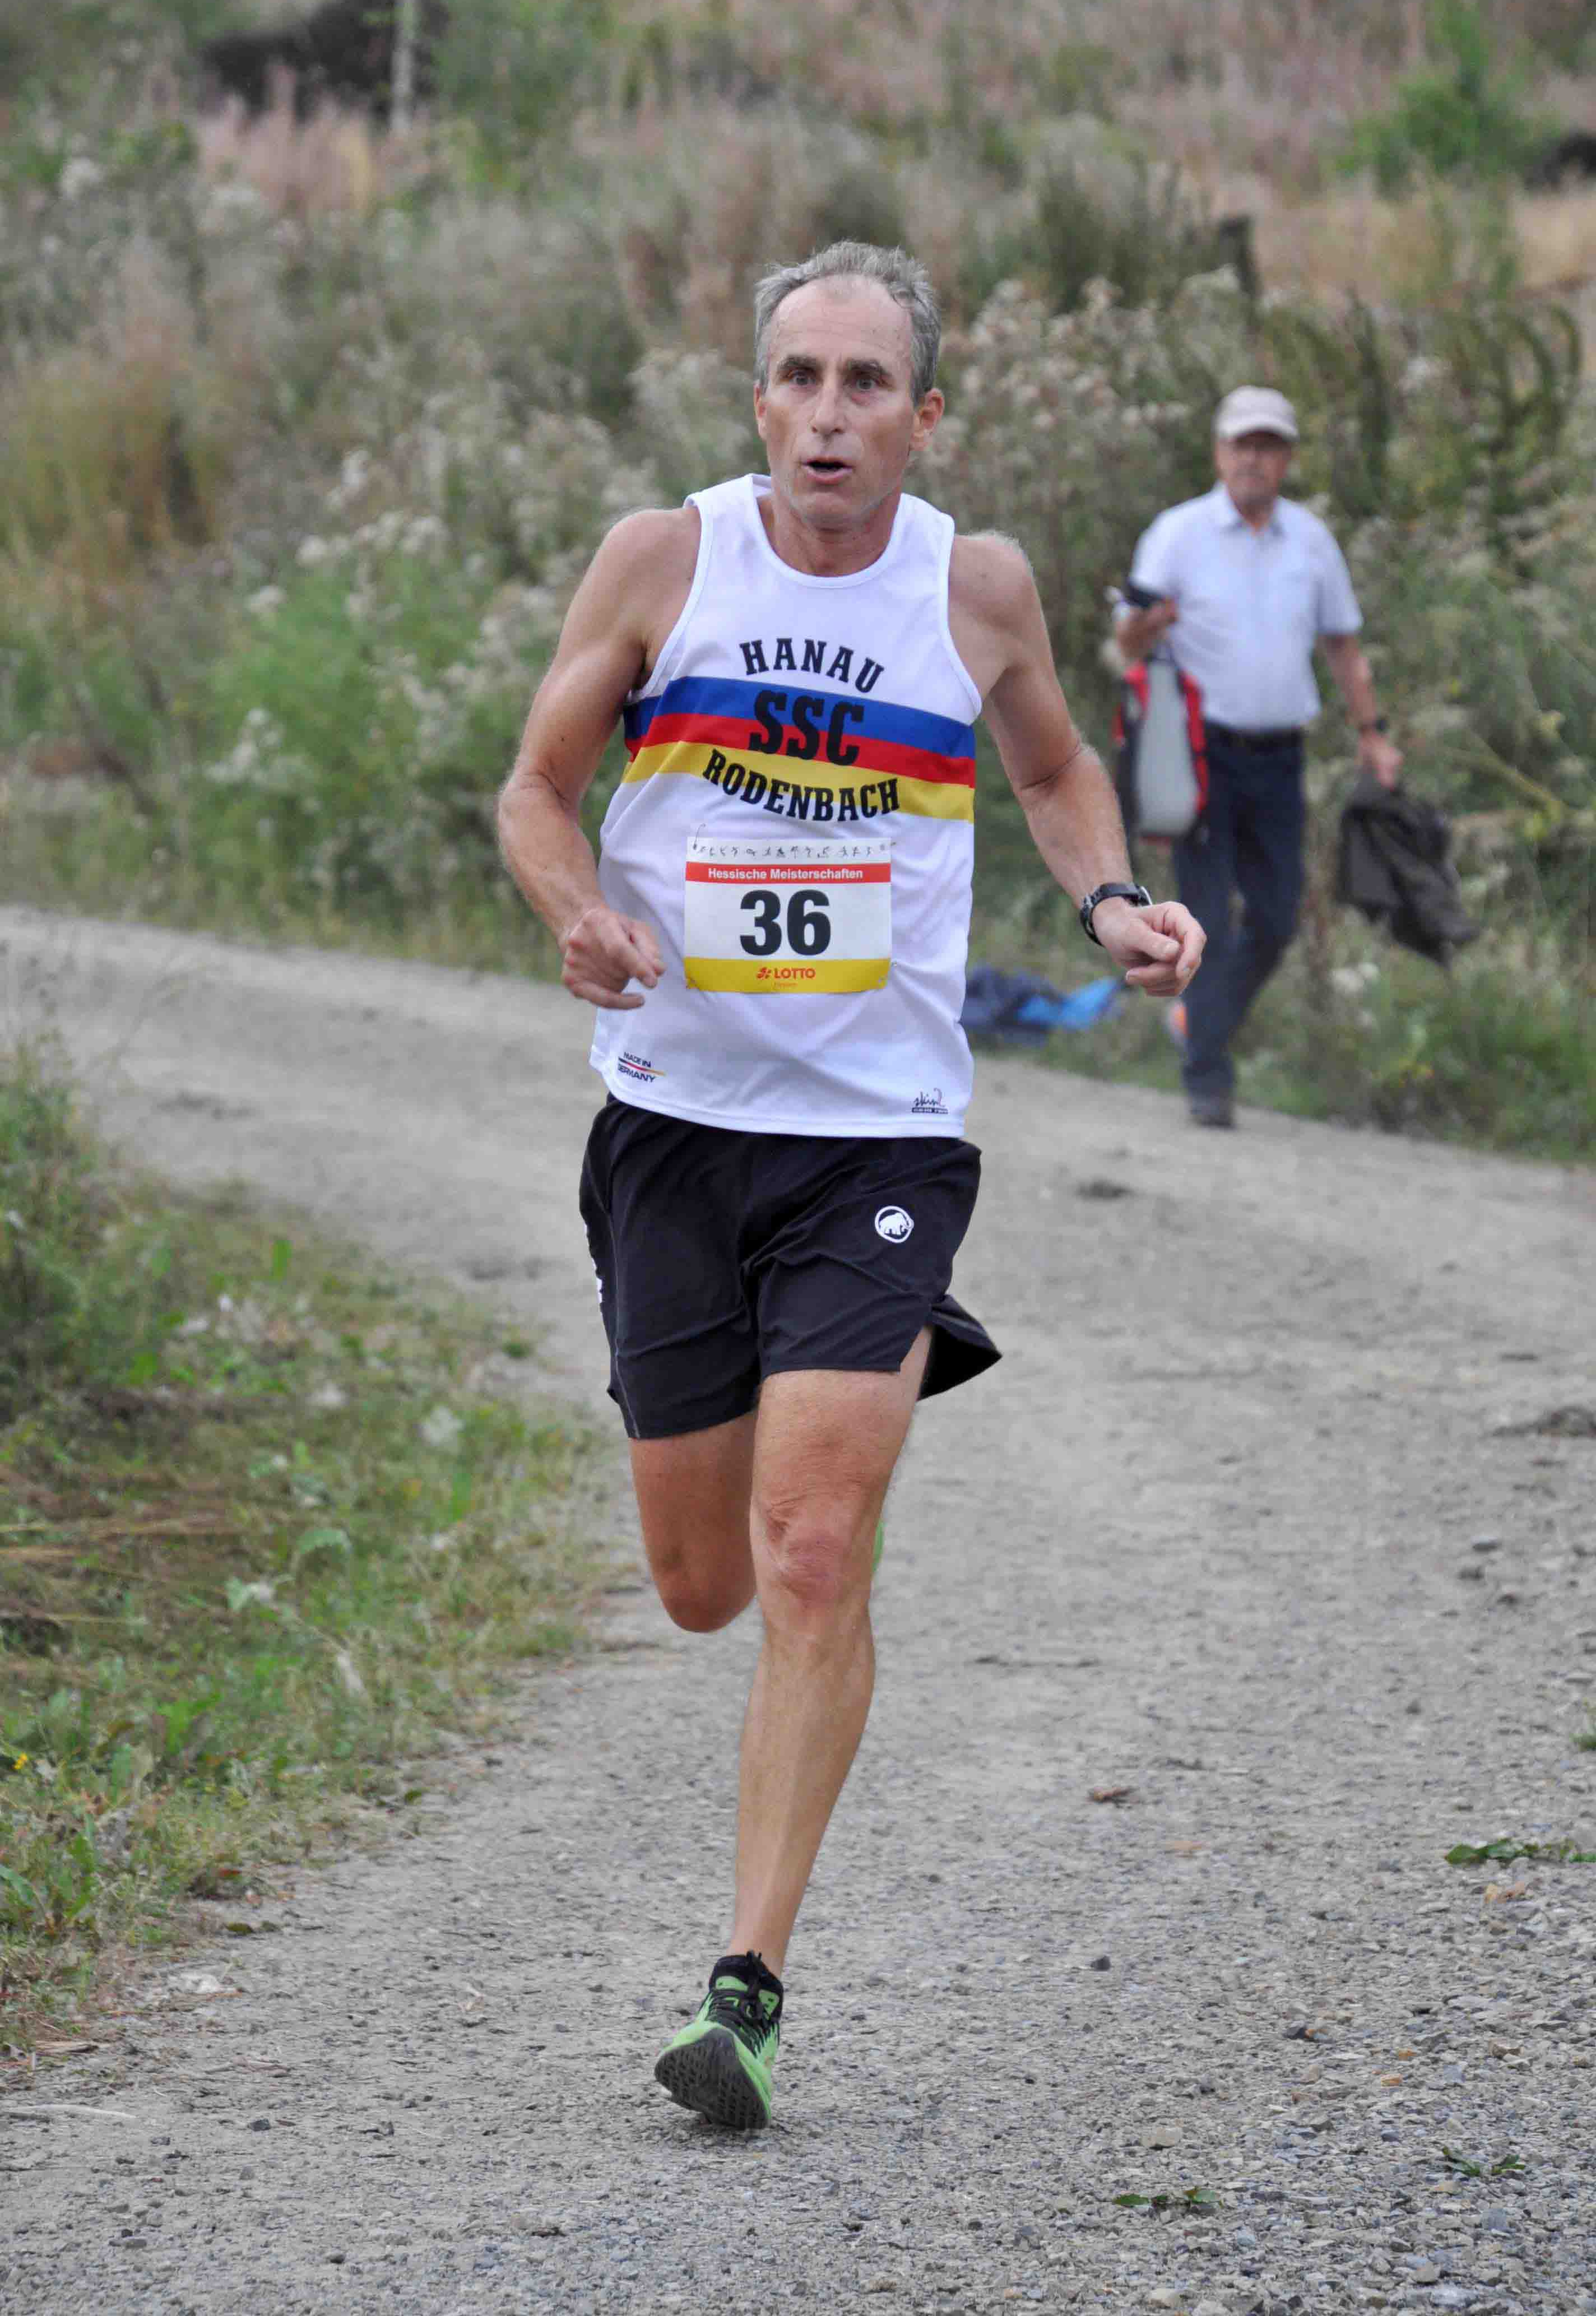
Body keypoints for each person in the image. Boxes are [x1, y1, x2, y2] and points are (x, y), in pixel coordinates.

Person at [496, 240, 1204, 2131]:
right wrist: (578, 911)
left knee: (812, 1547)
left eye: (865, 383)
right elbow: (535, 790)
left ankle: (744, 1988)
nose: (828, 415)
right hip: (673, 1123)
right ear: (758, 403)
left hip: (879, 1133)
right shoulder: (665, 561)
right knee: (700, 1583)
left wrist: (1111, 899)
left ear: (922, 413)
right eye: (798, 379)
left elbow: (1052, 769)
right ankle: (781, 1454)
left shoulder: (974, 587)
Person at [1115, 385, 1402, 1129]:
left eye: (1268, 445)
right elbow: (1127, 642)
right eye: (1242, 443)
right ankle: (1207, 1077)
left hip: (1280, 756)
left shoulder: (1312, 542)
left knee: (1276, 919)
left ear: (1287, 458)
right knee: (1206, 913)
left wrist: (1373, 733)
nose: (1254, 458)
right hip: (1200, 752)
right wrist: (1147, 626)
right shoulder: (1178, 534)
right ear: (1219, 452)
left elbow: (1343, 646)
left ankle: (1194, 1023)